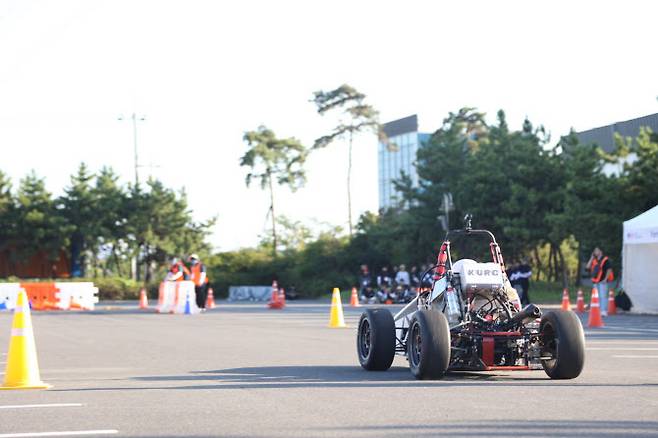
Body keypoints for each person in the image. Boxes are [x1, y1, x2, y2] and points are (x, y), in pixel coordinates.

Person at [586, 247, 614, 316]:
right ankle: (597, 310)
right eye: (594, 250)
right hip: (595, 281)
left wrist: (605, 279)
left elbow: (609, 270)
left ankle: (603, 311)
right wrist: (591, 258)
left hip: (603, 281)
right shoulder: (594, 260)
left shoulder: (605, 260)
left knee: (603, 296)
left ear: (601, 251)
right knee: (596, 297)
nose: (595, 252)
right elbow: (587, 267)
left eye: (597, 250)